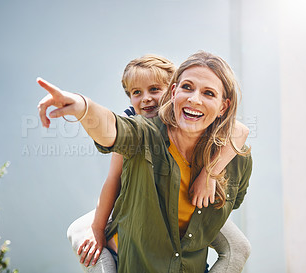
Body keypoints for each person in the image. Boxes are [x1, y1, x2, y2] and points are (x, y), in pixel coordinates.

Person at [37, 50, 252, 273]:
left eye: (154, 89)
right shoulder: (139, 129)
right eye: (136, 92)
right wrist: (83, 108)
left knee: (238, 247)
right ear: (175, 90)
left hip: (185, 254)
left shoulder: (234, 153)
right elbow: (111, 137)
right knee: (82, 232)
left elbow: (239, 131)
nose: (147, 99)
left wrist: (209, 173)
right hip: (131, 222)